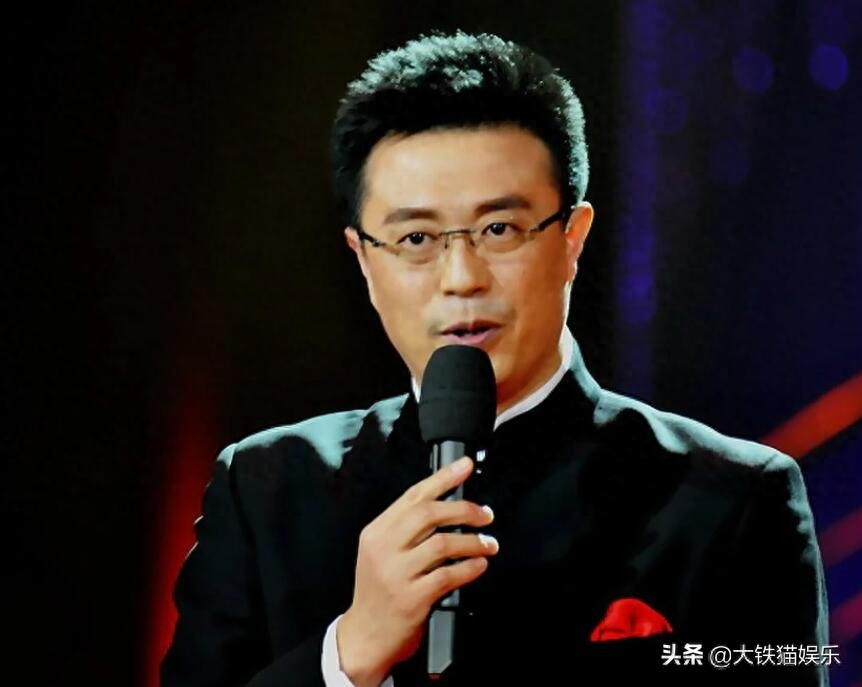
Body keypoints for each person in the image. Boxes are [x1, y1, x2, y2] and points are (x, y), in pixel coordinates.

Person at [161, 31, 830, 687]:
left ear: (573, 239)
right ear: (363, 259)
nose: (461, 277)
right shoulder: (266, 490)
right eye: (416, 238)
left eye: (499, 229)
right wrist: (349, 653)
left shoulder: (734, 500)